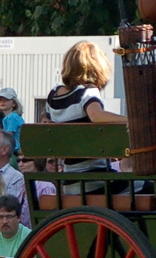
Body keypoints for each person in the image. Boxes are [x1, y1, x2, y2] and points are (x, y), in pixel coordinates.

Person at [44, 42, 126, 178]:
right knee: (149, 189)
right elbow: (96, 116)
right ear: (97, 67)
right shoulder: (88, 91)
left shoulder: (54, 94)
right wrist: (130, 120)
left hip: (69, 178)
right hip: (96, 179)